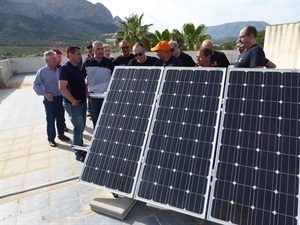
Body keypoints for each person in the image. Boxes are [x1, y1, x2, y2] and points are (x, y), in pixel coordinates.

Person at [33, 50, 70, 147]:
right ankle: (51, 139)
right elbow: (36, 85)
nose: (55, 60)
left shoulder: (59, 70)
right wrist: (44, 94)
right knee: (50, 120)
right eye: (53, 59)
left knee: (61, 118)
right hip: (50, 100)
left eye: (55, 58)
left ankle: (61, 134)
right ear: (46, 60)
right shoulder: (42, 72)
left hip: (60, 98)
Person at [59, 46, 87, 162]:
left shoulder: (76, 68)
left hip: (82, 102)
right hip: (73, 105)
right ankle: (78, 152)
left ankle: (80, 147)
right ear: (70, 55)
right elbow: (62, 88)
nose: (80, 56)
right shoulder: (65, 69)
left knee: (81, 128)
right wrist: (73, 100)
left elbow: (81, 83)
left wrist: (86, 93)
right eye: (78, 54)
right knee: (78, 128)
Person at [82, 41, 114, 128]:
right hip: (94, 97)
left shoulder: (109, 63)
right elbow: (82, 78)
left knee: (108, 119)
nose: (101, 51)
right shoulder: (87, 63)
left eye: (102, 49)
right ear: (93, 50)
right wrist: (85, 92)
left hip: (108, 96)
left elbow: (114, 78)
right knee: (96, 119)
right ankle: (98, 140)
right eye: (98, 49)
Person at [51, 48, 68, 132]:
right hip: (51, 98)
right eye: (59, 57)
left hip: (61, 96)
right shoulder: (45, 70)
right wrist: (45, 93)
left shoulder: (61, 69)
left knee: (61, 114)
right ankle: (51, 136)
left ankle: (62, 128)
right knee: (51, 118)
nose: (61, 59)